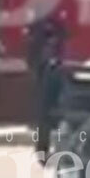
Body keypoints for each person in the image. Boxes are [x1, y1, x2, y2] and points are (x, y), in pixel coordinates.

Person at [25, 9, 67, 159]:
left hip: (44, 81)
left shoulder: (38, 30)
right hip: (45, 81)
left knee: (44, 119)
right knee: (45, 119)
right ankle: (43, 150)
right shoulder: (42, 31)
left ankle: (43, 150)